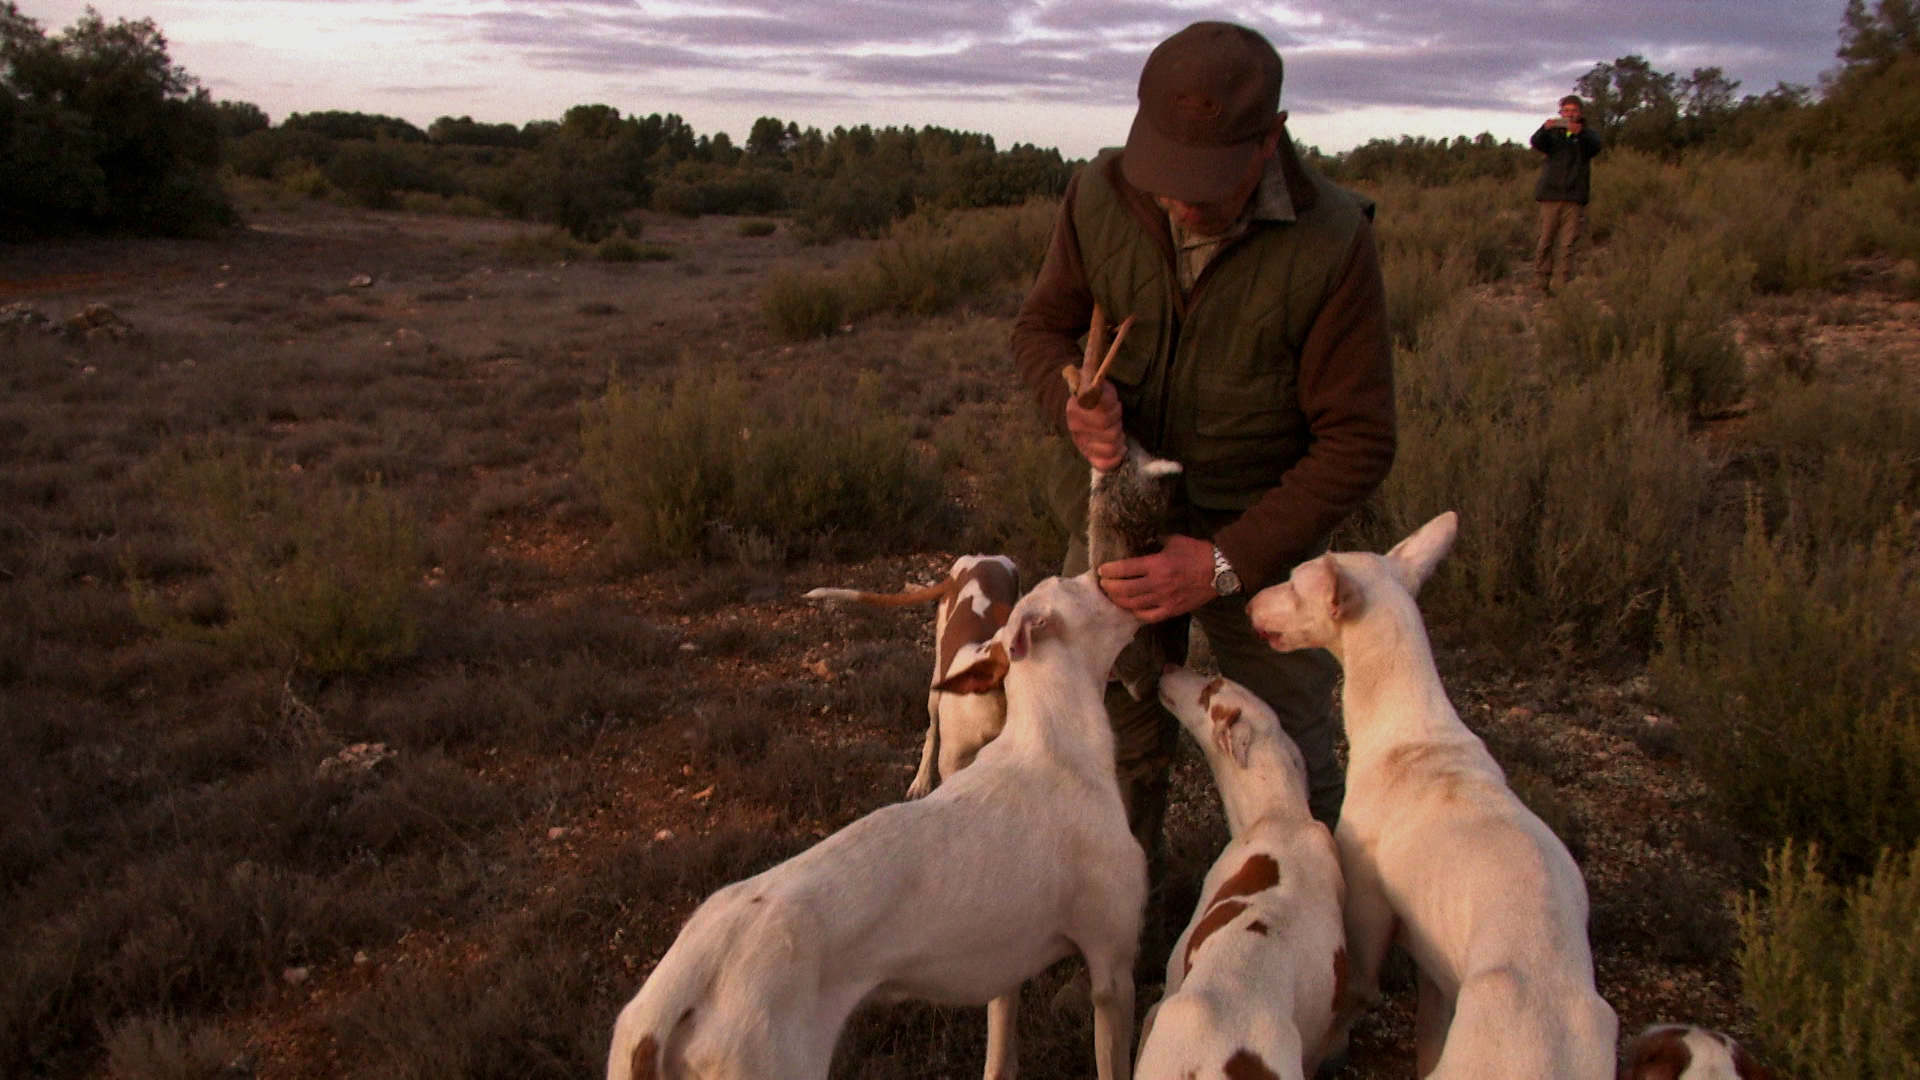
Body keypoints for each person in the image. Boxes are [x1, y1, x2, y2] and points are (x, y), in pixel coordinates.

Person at [1010, 20, 1396, 963]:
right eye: (1166, 171)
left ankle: (1307, 959)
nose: (1179, 200)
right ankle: (1116, 940)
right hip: (1116, 528)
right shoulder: (1100, 194)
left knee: (1284, 753)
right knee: (1106, 738)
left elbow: (1359, 440)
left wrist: (1227, 562)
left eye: (1205, 180)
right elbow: (1041, 332)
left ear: (1269, 140)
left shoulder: (1334, 240)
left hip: (1258, 537)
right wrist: (1071, 404)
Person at [1531, 95, 1602, 295]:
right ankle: (1540, 281)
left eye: (1574, 111)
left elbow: (1595, 146)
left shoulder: (1588, 135)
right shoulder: (1552, 135)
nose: (1570, 114)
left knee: (1567, 244)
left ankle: (1561, 284)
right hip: (1550, 196)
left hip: (1574, 197)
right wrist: (1545, 129)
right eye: (1566, 111)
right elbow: (1536, 142)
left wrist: (1580, 134)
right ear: (1560, 112)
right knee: (1545, 241)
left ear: (1580, 113)